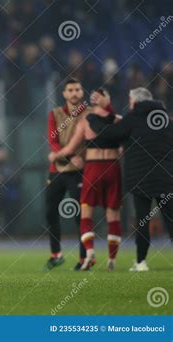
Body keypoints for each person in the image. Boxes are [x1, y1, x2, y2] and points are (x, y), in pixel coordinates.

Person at [87, 87, 173, 271]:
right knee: (171, 219)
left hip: (140, 178)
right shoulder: (165, 119)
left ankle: (141, 262)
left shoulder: (132, 118)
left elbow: (110, 134)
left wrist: (93, 118)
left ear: (134, 101)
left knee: (142, 220)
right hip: (166, 177)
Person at [49, 89, 123, 271]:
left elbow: (71, 148)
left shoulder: (85, 122)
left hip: (93, 168)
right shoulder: (118, 120)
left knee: (86, 212)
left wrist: (55, 156)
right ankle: (112, 259)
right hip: (113, 167)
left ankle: (89, 252)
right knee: (113, 213)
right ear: (107, 100)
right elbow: (124, 148)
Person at [45, 78, 90, 270]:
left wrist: (60, 155)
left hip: (80, 171)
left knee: (81, 215)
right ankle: (56, 254)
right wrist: (69, 157)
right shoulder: (55, 114)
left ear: (82, 92)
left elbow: (90, 141)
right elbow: (52, 140)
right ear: (64, 94)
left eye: (77, 89)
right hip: (57, 170)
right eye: (70, 90)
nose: (74, 93)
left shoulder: (89, 114)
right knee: (49, 211)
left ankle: (83, 258)